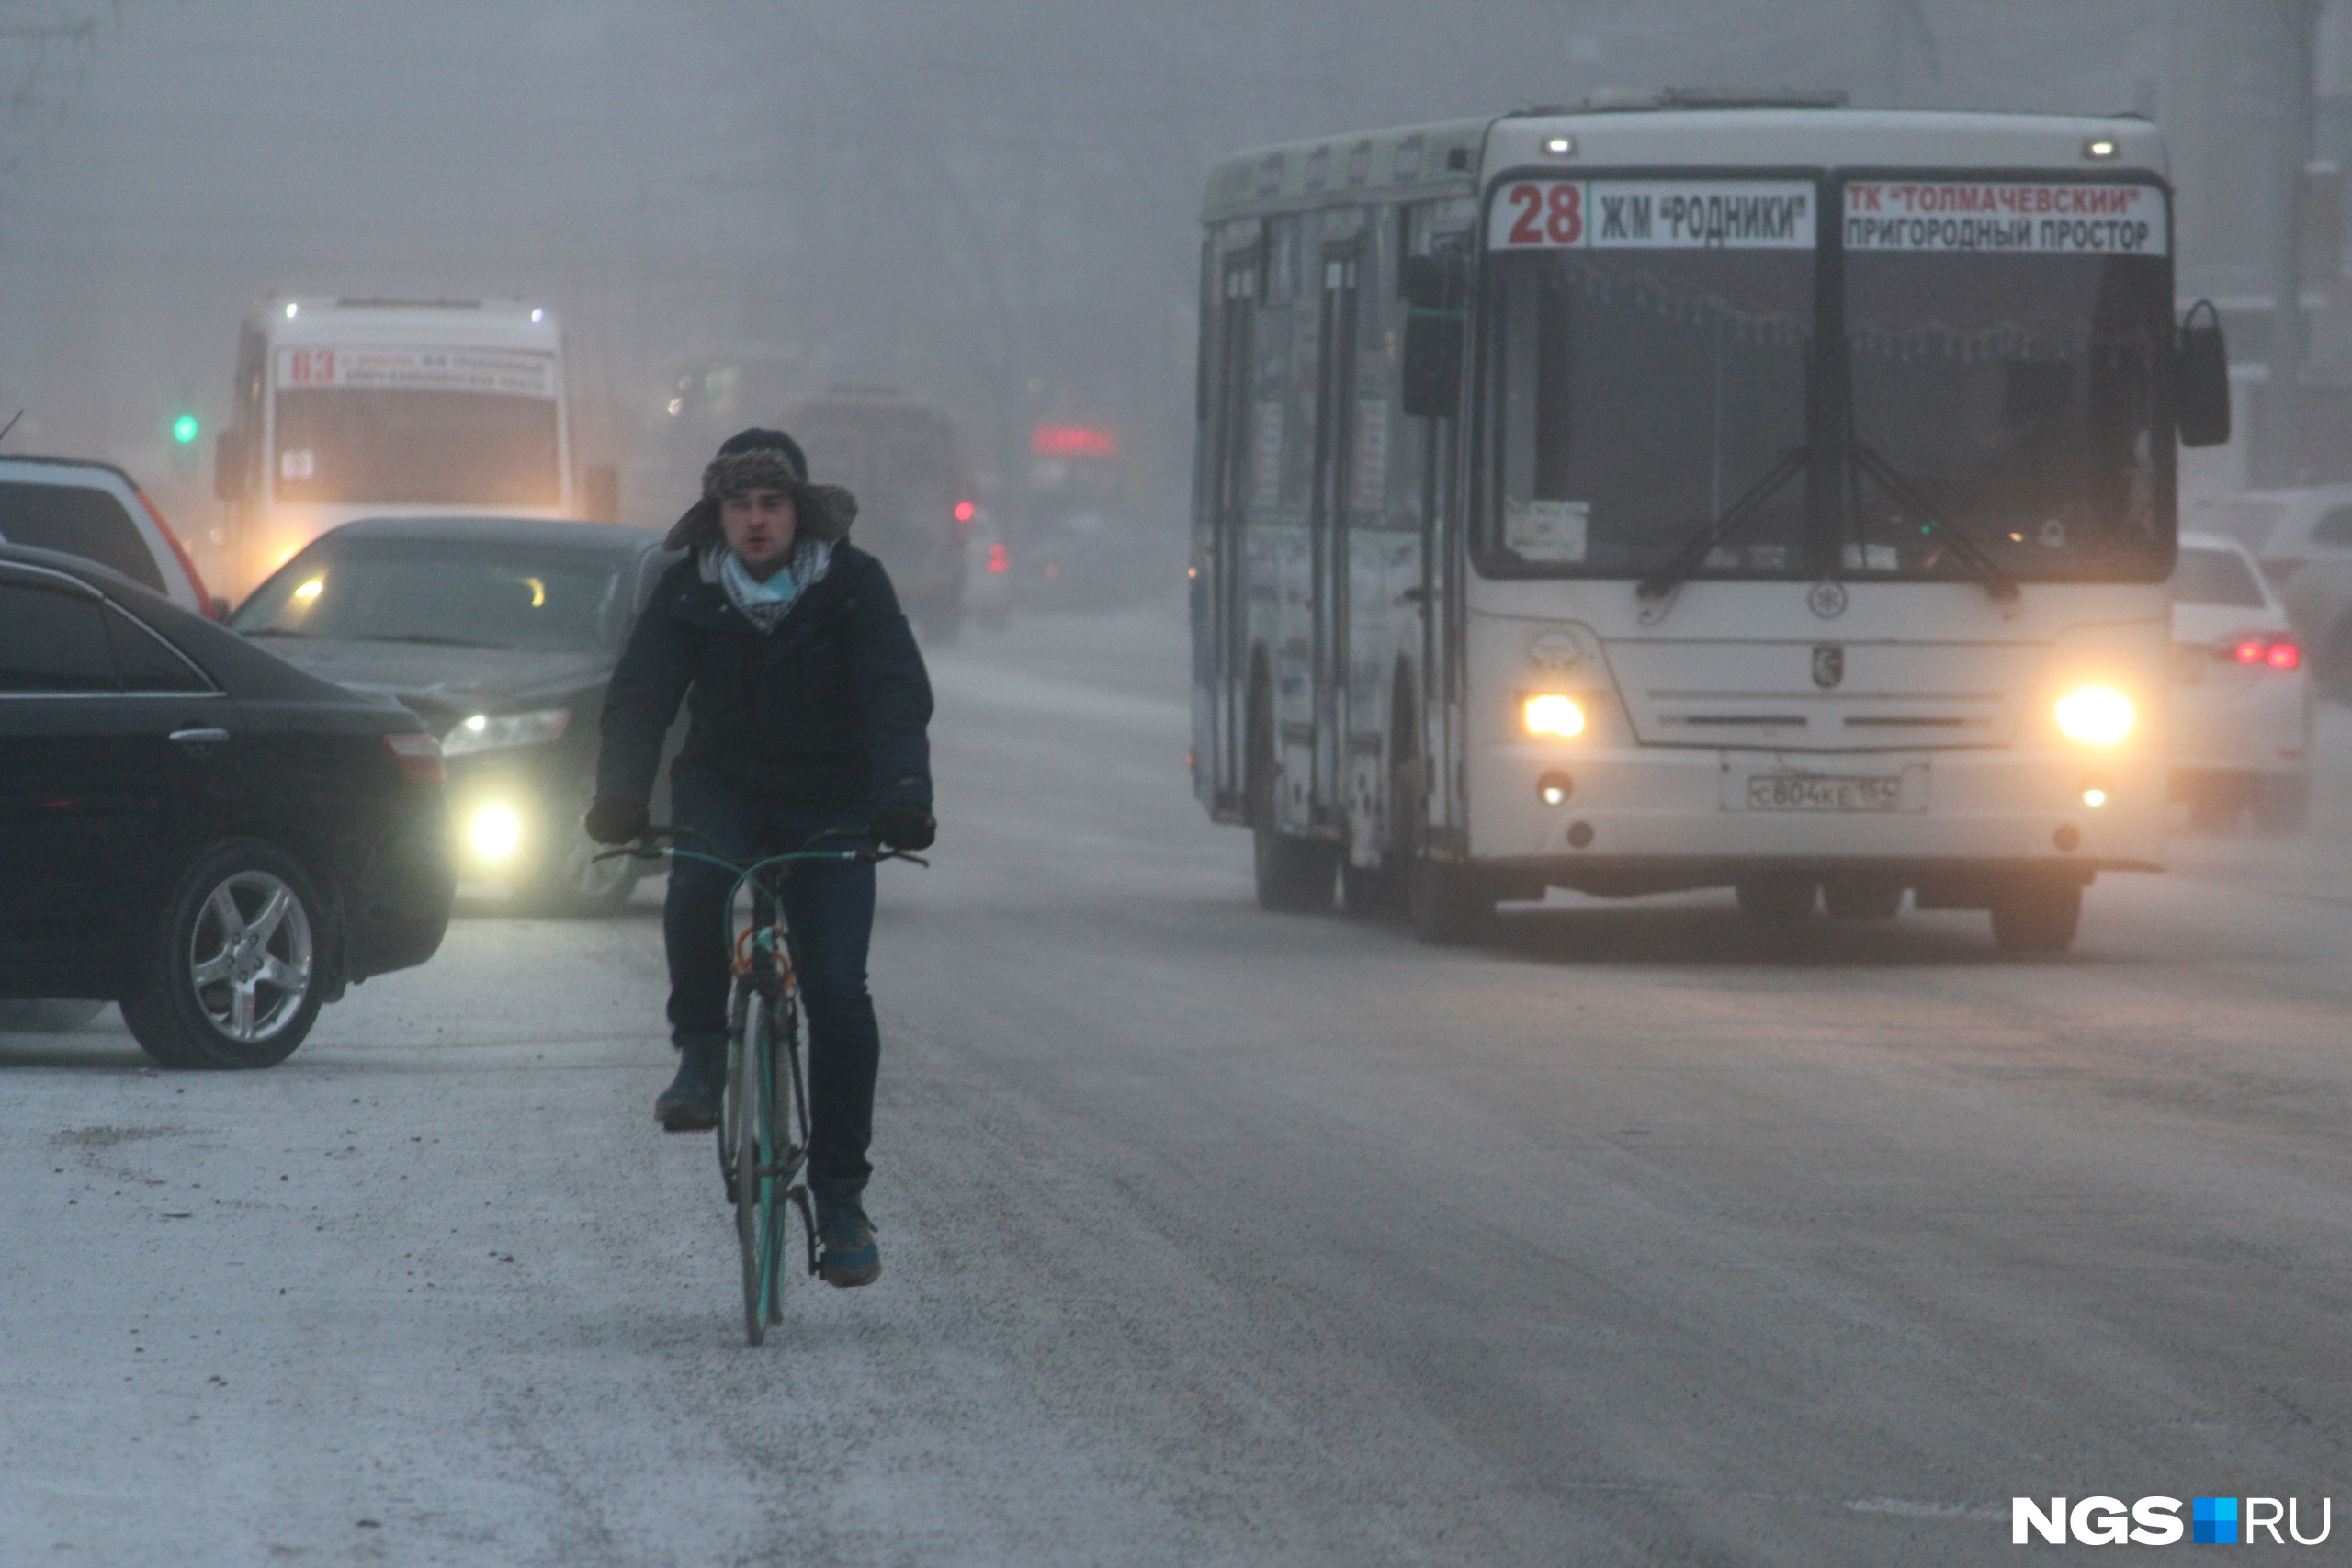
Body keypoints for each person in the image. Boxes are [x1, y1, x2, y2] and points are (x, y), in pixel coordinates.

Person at [585, 427, 934, 1289]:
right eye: (738, 504)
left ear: (799, 511)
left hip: (831, 794)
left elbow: (895, 690)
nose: (754, 520)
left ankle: (843, 1200)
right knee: (699, 876)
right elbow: (639, 696)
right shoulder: (687, 588)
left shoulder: (853, 585)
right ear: (718, 514)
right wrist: (622, 794)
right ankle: (702, 1052)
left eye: (770, 503)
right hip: (725, 785)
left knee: (840, 996)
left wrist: (902, 792)